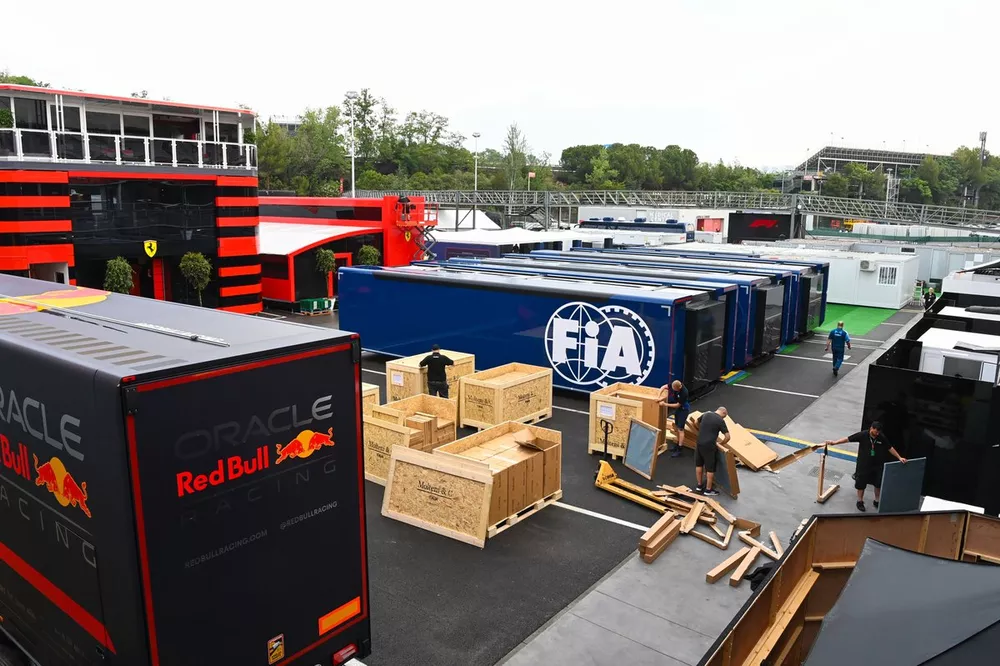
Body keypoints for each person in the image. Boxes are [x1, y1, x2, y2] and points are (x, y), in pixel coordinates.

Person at [825, 421, 906, 512]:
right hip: (863, 464)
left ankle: (877, 500)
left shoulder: (881, 437)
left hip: (877, 465)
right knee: (861, 483)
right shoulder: (863, 435)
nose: (877, 434)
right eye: (876, 432)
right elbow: (848, 439)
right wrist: (834, 442)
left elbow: (890, 448)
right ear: (871, 428)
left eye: (878, 432)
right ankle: (860, 501)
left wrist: (899, 457)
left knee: (877, 484)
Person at [694, 407, 731, 496]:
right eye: (724, 417)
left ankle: (699, 485)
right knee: (710, 468)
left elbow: (695, 422)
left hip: (699, 442)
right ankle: (708, 490)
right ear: (723, 413)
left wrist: (701, 431)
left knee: (699, 464)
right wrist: (721, 443)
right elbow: (727, 436)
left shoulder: (706, 413)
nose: (723, 418)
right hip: (709, 446)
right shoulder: (720, 421)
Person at [658, 380, 690, 458]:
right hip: (679, 410)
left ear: (678, 388)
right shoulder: (674, 384)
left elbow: (677, 405)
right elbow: (663, 387)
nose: (672, 390)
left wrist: (665, 404)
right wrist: (658, 397)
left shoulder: (684, 392)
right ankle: (677, 444)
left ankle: (680, 449)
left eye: (674, 390)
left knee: (680, 429)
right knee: (676, 427)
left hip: (683, 410)